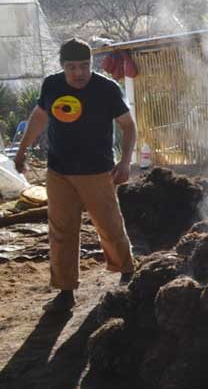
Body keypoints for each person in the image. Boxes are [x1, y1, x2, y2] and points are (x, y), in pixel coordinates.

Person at [13, 38, 136, 313]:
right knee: (61, 232)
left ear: (91, 64)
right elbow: (39, 117)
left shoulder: (106, 89)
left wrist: (126, 162)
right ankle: (65, 291)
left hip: (97, 171)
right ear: (62, 67)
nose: (79, 73)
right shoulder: (52, 85)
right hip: (59, 171)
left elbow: (129, 127)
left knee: (109, 226)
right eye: (72, 67)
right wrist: (21, 151)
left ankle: (127, 273)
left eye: (84, 66)